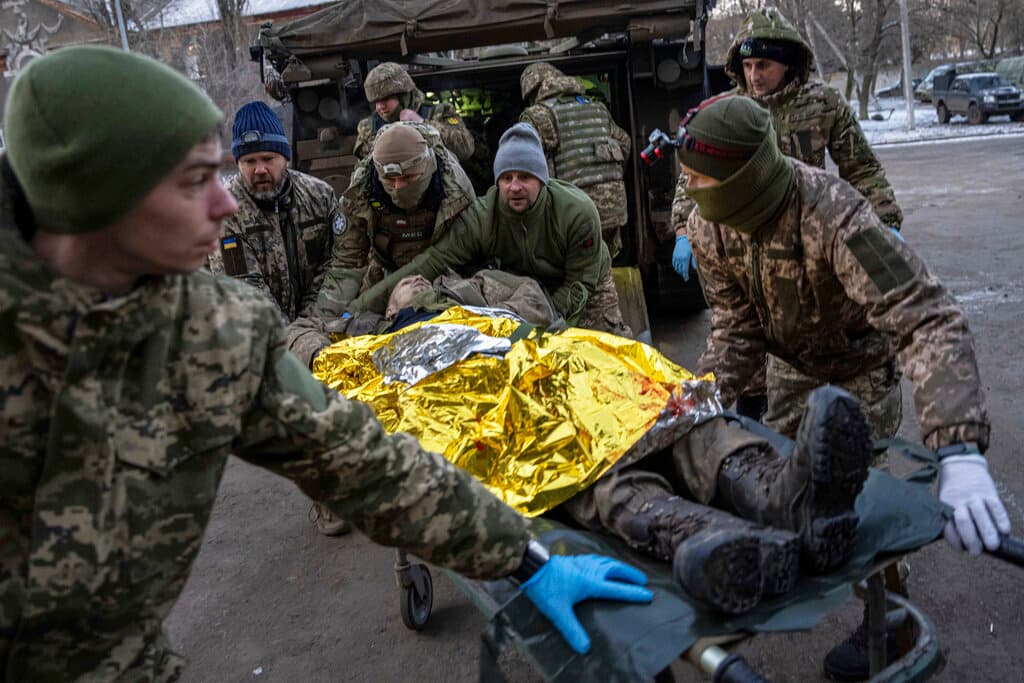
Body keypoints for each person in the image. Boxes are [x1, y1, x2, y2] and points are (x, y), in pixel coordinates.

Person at [0, 46, 656, 681]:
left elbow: (357, 457)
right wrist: (342, 319)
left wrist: (524, 556)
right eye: (196, 180)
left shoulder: (211, 333)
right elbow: (350, 267)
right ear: (99, 193)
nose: (227, 202)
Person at [675, 95, 1011, 679]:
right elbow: (735, 328)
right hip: (790, 370)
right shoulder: (710, 228)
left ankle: (891, 621)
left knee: (862, 507)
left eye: (705, 181)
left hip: (859, 368)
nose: (694, 195)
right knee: (772, 485)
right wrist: (702, 395)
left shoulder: (833, 214)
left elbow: (923, 314)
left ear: (746, 178)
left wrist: (957, 447)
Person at [670, 6, 906, 423]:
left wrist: (885, 225)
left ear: (788, 64)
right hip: (751, 247)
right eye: (747, 65)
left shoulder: (822, 107)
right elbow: (698, 175)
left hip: (816, 241)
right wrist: (684, 230)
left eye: (764, 64)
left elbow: (862, 168)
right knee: (752, 348)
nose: (755, 75)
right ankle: (756, 416)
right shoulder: (729, 113)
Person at [343, 123, 633, 338]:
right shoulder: (483, 217)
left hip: (586, 285)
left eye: (525, 177)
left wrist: (548, 328)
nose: (515, 186)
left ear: (543, 179)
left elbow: (579, 284)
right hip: (525, 290)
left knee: (606, 351)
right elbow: (431, 262)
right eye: (506, 178)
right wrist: (355, 309)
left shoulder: (577, 212)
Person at [207, 100, 349, 536]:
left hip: (321, 318)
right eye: (249, 161)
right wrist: (298, 340)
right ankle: (325, 496)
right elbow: (247, 294)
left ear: (285, 156)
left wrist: (315, 321)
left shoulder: (320, 196)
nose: (259, 170)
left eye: (267, 158)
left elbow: (340, 263)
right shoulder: (225, 214)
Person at [305, 122, 476, 355]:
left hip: (444, 272)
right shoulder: (360, 194)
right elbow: (346, 267)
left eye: (408, 179)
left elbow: (464, 253)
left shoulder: (455, 189)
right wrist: (322, 328)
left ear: (427, 168)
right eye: (390, 181)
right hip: (384, 274)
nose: (398, 188)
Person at [518, 63, 632, 258]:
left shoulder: (536, 115)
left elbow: (524, 167)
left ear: (532, 90)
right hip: (614, 209)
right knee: (603, 265)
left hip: (574, 212)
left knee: (578, 273)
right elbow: (625, 143)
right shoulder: (597, 107)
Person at [354, 61, 474, 162]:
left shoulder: (439, 112)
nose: (380, 107)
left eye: (386, 99)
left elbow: (465, 150)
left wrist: (423, 124)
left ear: (403, 96)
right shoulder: (369, 127)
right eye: (376, 101)